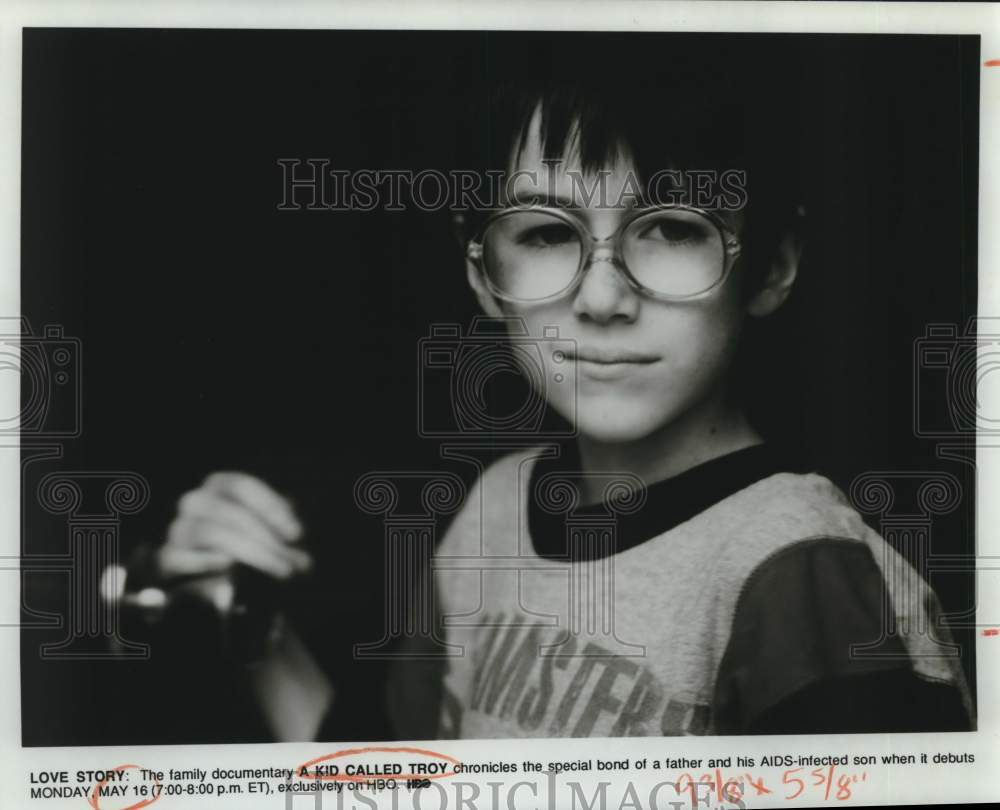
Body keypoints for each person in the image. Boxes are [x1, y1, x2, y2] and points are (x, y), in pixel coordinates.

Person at [132, 43, 974, 740]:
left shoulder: (800, 568)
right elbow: (387, 783)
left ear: (774, 264)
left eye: (673, 226)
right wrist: (256, 626)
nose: (603, 300)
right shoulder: (494, 509)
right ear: (483, 272)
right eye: (543, 232)